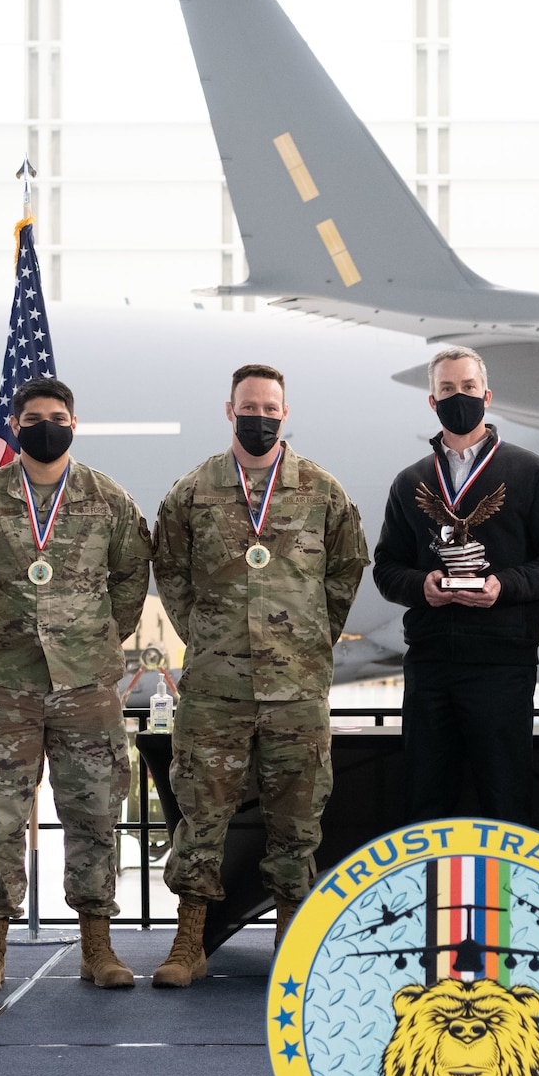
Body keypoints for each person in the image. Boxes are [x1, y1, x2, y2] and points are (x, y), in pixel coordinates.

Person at [151, 364, 368, 986]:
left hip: (296, 687)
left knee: (297, 815)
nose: (261, 416)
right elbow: (169, 569)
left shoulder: (322, 491)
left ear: (285, 412)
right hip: (216, 686)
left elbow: (347, 567)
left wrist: (308, 637)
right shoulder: (191, 493)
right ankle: (188, 943)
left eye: (271, 407)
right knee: (202, 811)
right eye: (250, 406)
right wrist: (208, 635)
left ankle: (292, 940)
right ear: (230, 411)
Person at [0, 376, 150, 993]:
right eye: (33, 417)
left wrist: (94, 640)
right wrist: (0, 636)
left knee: (94, 813)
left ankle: (98, 946)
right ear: (15, 424)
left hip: (87, 688)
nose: (46, 425)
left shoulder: (108, 499)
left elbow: (131, 577)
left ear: (74, 423)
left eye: (57, 416)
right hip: (6, 686)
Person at [372, 346, 539, 825]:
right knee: (425, 800)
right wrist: (421, 585)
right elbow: (386, 567)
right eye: (447, 389)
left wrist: (503, 587)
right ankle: (432, 899)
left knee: (504, 799)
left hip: (502, 664)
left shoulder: (528, 471)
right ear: (432, 401)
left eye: (468, 388)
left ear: (487, 395)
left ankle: (501, 900)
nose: (458, 397)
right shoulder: (411, 482)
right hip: (430, 665)